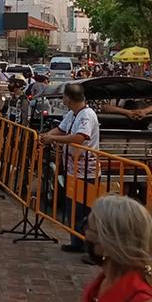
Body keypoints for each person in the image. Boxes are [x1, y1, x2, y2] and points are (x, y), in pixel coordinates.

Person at [39, 83, 99, 253]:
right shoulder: (73, 114)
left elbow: (80, 137)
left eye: (64, 96)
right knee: (73, 208)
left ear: (69, 98)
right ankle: (76, 242)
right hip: (73, 169)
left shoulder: (87, 115)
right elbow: (60, 129)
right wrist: (47, 136)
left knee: (84, 211)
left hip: (86, 170)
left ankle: (90, 248)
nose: (62, 99)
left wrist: (53, 140)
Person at [82, 195, 152, 302]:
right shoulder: (104, 282)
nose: (86, 234)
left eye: (90, 230)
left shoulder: (139, 299)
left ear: (109, 245)